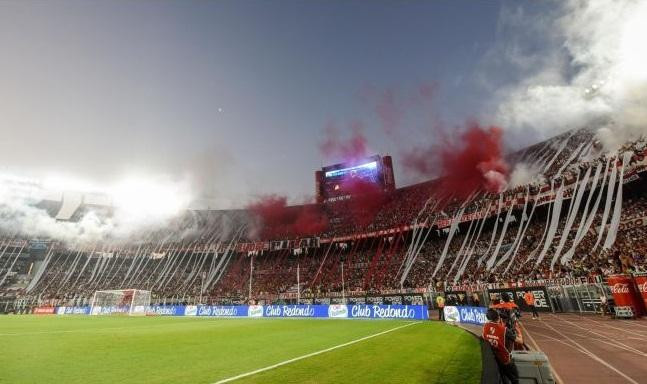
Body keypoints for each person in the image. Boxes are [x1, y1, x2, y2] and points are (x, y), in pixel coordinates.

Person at [483, 308, 520, 384]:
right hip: (505, 360)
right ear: (499, 318)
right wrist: (519, 331)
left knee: (503, 377)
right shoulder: (504, 329)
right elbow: (520, 341)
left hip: (494, 359)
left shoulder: (485, 327)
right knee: (515, 379)